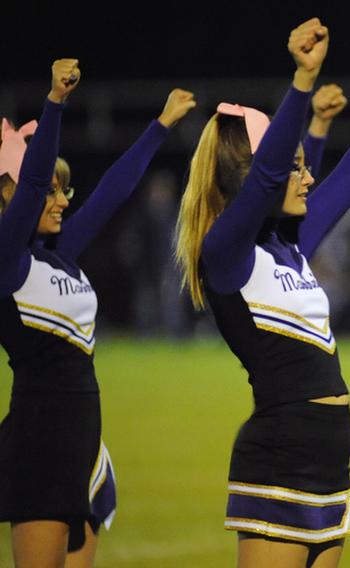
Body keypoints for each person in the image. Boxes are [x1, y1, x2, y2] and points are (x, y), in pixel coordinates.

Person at [174, 19, 350, 568]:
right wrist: (302, 81)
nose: (308, 179)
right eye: (296, 169)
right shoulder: (226, 252)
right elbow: (270, 171)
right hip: (280, 455)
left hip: (330, 460)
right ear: (254, 176)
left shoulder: (290, 245)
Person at [0, 60, 194, 567]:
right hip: (40, 440)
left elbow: (112, 192)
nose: (61, 199)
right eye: (50, 190)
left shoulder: (60, 252)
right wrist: (55, 103)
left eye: (65, 189)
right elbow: (33, 178)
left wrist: (161, 127)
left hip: (85, 437)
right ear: (12, 196)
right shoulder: (7, 261)